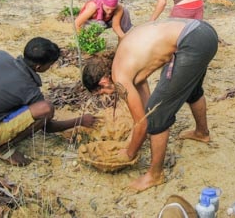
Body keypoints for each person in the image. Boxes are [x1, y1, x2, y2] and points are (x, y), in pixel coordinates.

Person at [82, 18, 218, 191]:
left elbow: (146, 119)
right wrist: (143, 131)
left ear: (102, 81)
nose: (106, 95)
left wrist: (129, 152)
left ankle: (155, 175)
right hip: (203, 31)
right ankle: (202, 133)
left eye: (101, 92)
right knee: (192, 90)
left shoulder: (119, 79)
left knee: (158, 114)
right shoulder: (125, 60)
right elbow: (144, 109)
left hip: (191, 41)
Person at [0, 37, 98, 166]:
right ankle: (3, 148)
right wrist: (80, 121)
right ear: (39, 67)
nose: (50, 67)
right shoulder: (28, 88)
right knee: (46, 108)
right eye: (50, 65)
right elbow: (48, 127)